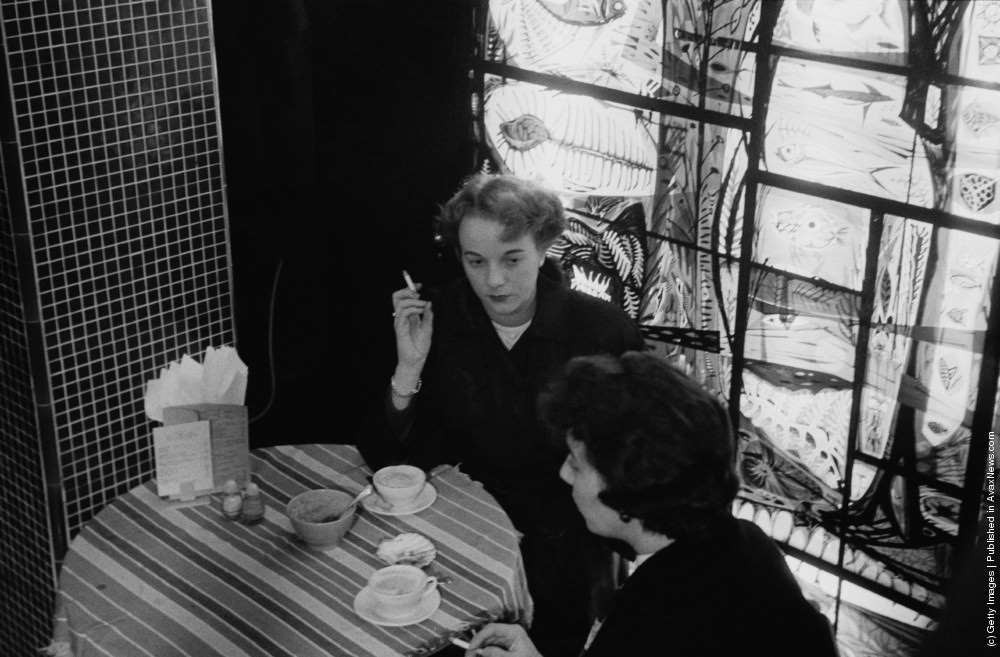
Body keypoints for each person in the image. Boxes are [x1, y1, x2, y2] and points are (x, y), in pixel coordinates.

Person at [357, 173, 645, 657]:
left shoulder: (601, 330)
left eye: (512, 259)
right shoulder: (437, 314)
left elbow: (640, 466)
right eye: (475, 261)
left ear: (544, 247)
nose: (493, 280)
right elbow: (386, 462)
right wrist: (409, 366)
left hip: (568, 545)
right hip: (460, 533)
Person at [465, 351, 840, 657]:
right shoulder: (746, 540)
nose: (564, 474)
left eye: (576, 464)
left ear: (629, 495)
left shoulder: (659, 626)